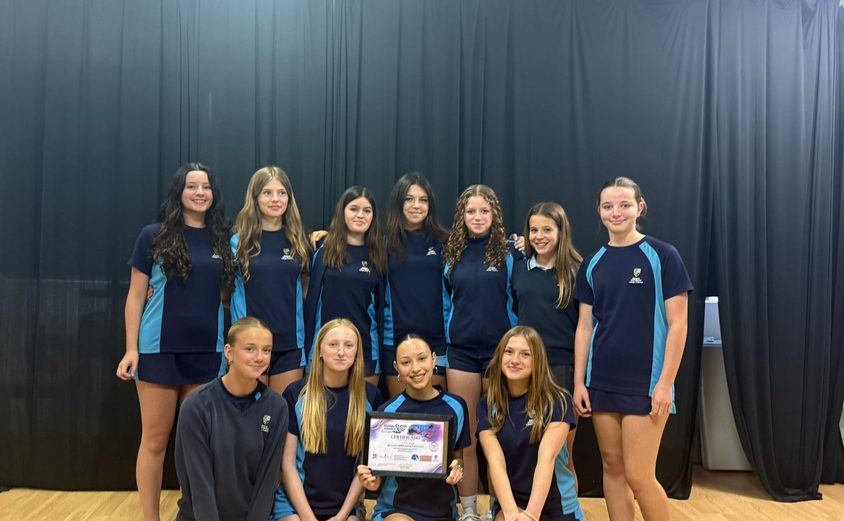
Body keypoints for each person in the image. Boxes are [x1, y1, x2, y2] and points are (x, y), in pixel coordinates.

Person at [116, 163, 235, 521]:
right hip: (158, 351)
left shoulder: (223, 240)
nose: (200, 192)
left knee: (198, 445)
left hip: (207, 352)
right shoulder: (153, 235)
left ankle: (194, 514)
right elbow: (136, 296)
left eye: (206, 186)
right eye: (191, 186)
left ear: (214, 194)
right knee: (155, 440)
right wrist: (131, 348)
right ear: (179, 192)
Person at [572, 177, 692, 521]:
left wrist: (665, 382)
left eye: (624, 205)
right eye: (608, 206)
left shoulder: (663, 255)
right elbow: (584, 327)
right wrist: (581, 382)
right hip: (602, 380)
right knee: (612, 467)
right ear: (599, 211)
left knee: (640, 476)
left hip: (646, 382)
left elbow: (678, 325)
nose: (616, 212)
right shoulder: (593, 262)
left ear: (640, 208)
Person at [441, 184, 520, 521]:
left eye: (484, 211)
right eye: (471, 211)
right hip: (460, 354)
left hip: (499, 355)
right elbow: (445, 305)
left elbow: (517, 302)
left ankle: (502, 507)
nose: (477, 217)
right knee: (468, 437)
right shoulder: (450, 254)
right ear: (462, 216)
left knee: (501, 436)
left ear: (494, 216)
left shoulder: (509, 253)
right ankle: (470, 510)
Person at [174, 317, 288, 521]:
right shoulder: (196, 407)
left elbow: (267, 481)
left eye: (267, 350)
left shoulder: (277, 407)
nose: (260, 357)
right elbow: (200, 486)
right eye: (250, 349)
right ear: (229, 352)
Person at [273, 319, 382, 521]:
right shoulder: (295, 394)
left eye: (348, 345)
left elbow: (364, 465)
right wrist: (308, 518)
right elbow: (287, 465)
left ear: (357, 352)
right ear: (320, 351)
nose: (341, 352)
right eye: (333, 345)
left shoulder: (371, 396)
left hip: (346, 508)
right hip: (295, 506)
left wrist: (341, 516)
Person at [358, 335, 470, 520]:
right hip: (397, 510)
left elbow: (458, 458)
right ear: (396, 368)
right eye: (406, 362)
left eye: (422, 358)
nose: (416, 368)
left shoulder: (456, 406)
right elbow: (375, 473)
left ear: (434, 359)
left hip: (442, 512)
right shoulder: (387, 413)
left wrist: (457, 469)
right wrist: (370, 480)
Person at [478, 326, 582, 521]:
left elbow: (547, 458)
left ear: (538, 361)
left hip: (556, 506)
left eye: (525, 354)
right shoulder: (488, 404)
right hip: (513, 504)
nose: (515, 360)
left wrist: (531, 516)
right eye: (509, 352)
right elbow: (495, 461)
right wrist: (511, 514)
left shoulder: (557, 401)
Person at [511, 201, 582, 484]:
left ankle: (568, 513)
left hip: (561, 367)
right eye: (533, 230)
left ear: (561, 231)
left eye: (547, 230)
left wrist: (580, 379)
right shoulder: (518, 268)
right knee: (526, 450)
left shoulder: (577, 270)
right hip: (523, 367)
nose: (539, 236)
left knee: (562, 454)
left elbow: (586, 327)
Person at [232, 166, 311, 395]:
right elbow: (221, 291)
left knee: (281, 419)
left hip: (289, 344)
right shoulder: (238, 242)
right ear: (255, 198)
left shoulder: (300, 241)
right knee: (248, 419)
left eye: (281, 193)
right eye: (267, 193)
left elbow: (306, 290)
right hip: (249, 342)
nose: (275, 199)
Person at [305, 186, 388, 384]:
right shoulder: (323, 250)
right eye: (353, 209)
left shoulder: (380, 253)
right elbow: (311, 304)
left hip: (365, 347)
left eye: (367, 211)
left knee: (362, 411)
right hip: (324, 347)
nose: (360, 215)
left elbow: (380, 308)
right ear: (342, 212)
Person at [382, 172, 451, 397]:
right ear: (398, 203)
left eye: (423, 200)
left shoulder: (444, 242)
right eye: (409, 199)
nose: (416, 206)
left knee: (433, 416)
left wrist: (519, 243)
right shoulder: (383, 243)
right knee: (401, 419)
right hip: (396, 339)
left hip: (436, 341)